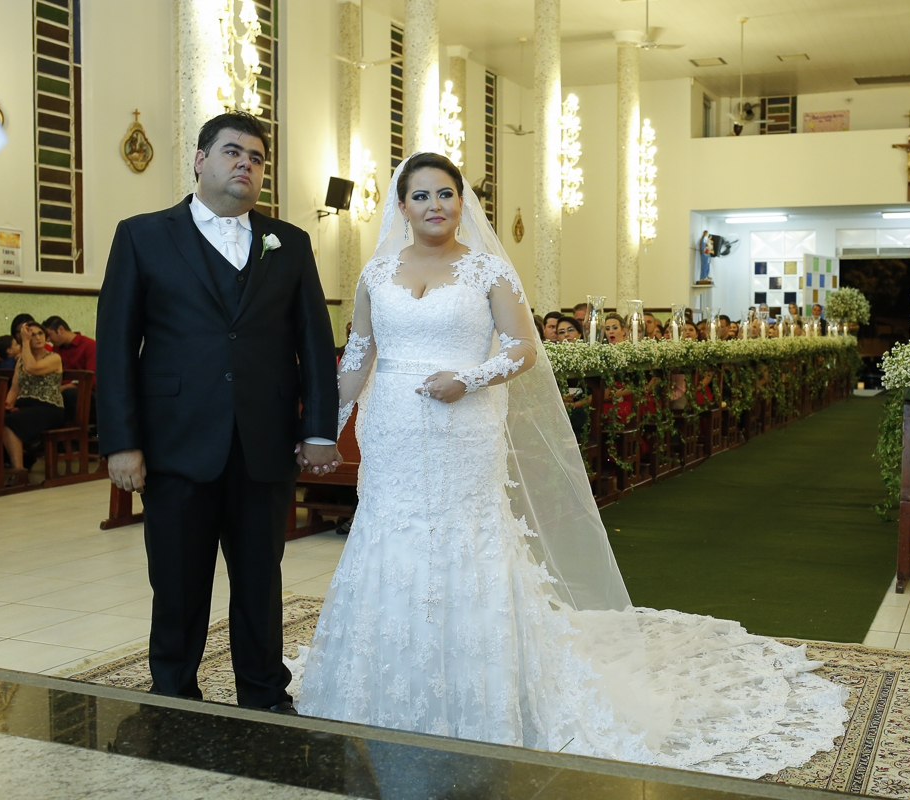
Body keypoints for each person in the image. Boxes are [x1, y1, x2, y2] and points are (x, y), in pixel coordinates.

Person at [293, 153, 847, 778]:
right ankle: (384, 682)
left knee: (465, 537)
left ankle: (483, 690)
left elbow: (521, 347)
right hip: (392, 424)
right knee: (388, 534)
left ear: (461, 202)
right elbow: (360, 354)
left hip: (463, 422)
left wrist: (469, 379)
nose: (435, 206)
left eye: (446, 194)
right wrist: (322, 428)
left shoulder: (487, 268)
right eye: (421, 196)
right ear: (402, 206)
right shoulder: (376, 271)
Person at [96, 112, 340, 711]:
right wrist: (122, 442)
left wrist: (318, 430)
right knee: (177, 585)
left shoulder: (291, 243)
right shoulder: (142, 235)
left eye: (257, 158)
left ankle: (263, 693)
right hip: (176, 443)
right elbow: (116, 344)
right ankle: (174, 695)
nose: (246, 165)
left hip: (264, 441)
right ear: (201, 159)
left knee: (260, 581)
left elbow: (313, 340)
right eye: (233, 152)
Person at [2, 321, 64, 473]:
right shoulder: (21, 361)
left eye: (40, 333)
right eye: (32, 335)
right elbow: (15, 388)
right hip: (24, 407)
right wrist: (7, 404)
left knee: (9, 422)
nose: (37, 337)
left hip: (49, 408)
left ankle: (19, 472)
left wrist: (24, 341)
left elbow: (32, 368)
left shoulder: (54, 358)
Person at [43, 315, 98, 423]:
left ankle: (74, 435)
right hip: (62, 390)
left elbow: (94, 379)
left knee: (69, 394)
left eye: (49, 335)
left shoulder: (89, 345)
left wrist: (66, 387)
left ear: (60, 329)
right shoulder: (56, 349)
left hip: (86, 392)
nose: (48, 340)